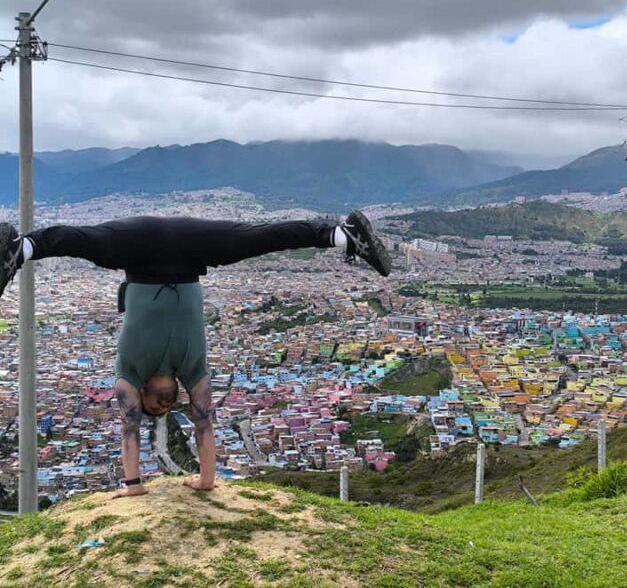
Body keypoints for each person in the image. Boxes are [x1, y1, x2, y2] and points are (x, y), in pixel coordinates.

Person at [0, 212, 391, 497]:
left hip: (137, 249)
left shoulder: (130, 371)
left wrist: (133, 486)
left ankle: (19, 249)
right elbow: (203, 424)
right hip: (189, 248)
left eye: (155, 407)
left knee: (84, 241)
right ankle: (343, 235)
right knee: (257, 238)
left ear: (143, 396)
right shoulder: (193, 369)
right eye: (166, 409)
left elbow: (129, 428)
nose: (163, 405)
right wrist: (207, 479)